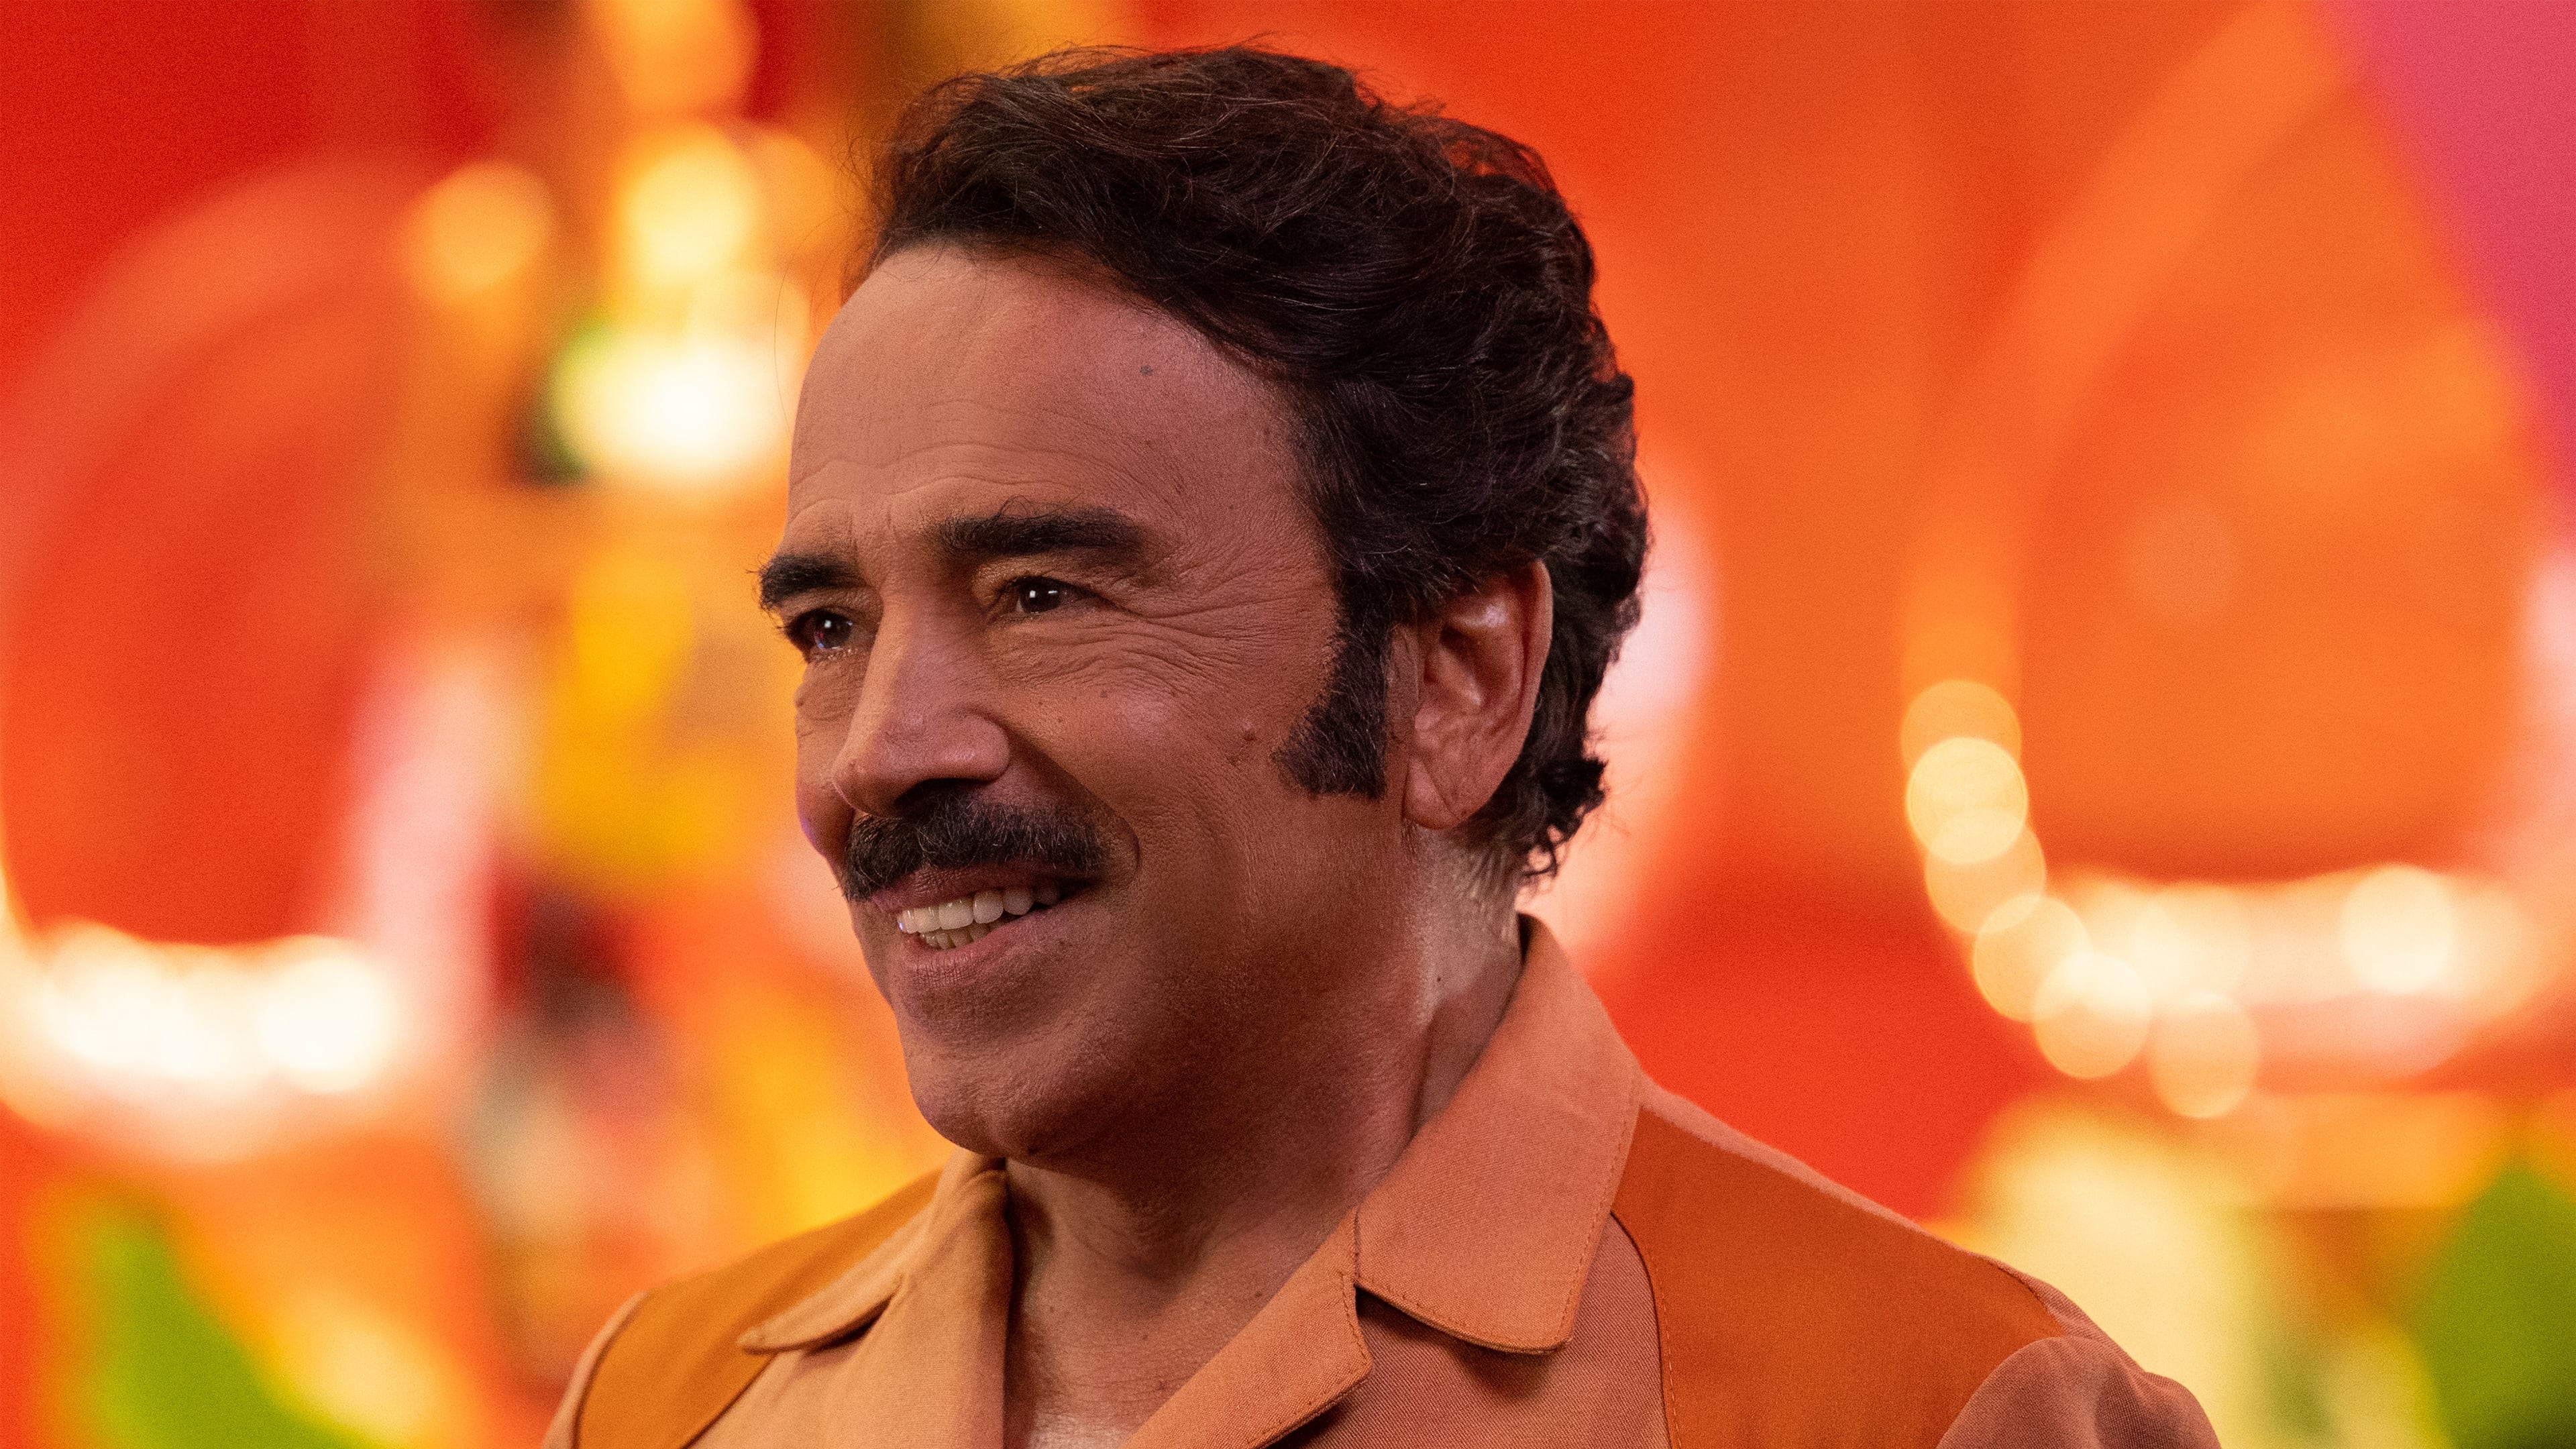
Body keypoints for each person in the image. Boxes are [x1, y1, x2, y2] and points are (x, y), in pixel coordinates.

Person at [546, 46, 2216, 1449]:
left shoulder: (1928, 1411)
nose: (876, 755)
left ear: (1460, 683)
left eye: (1041, 595)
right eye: (829, 630)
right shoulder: (665, 1406)